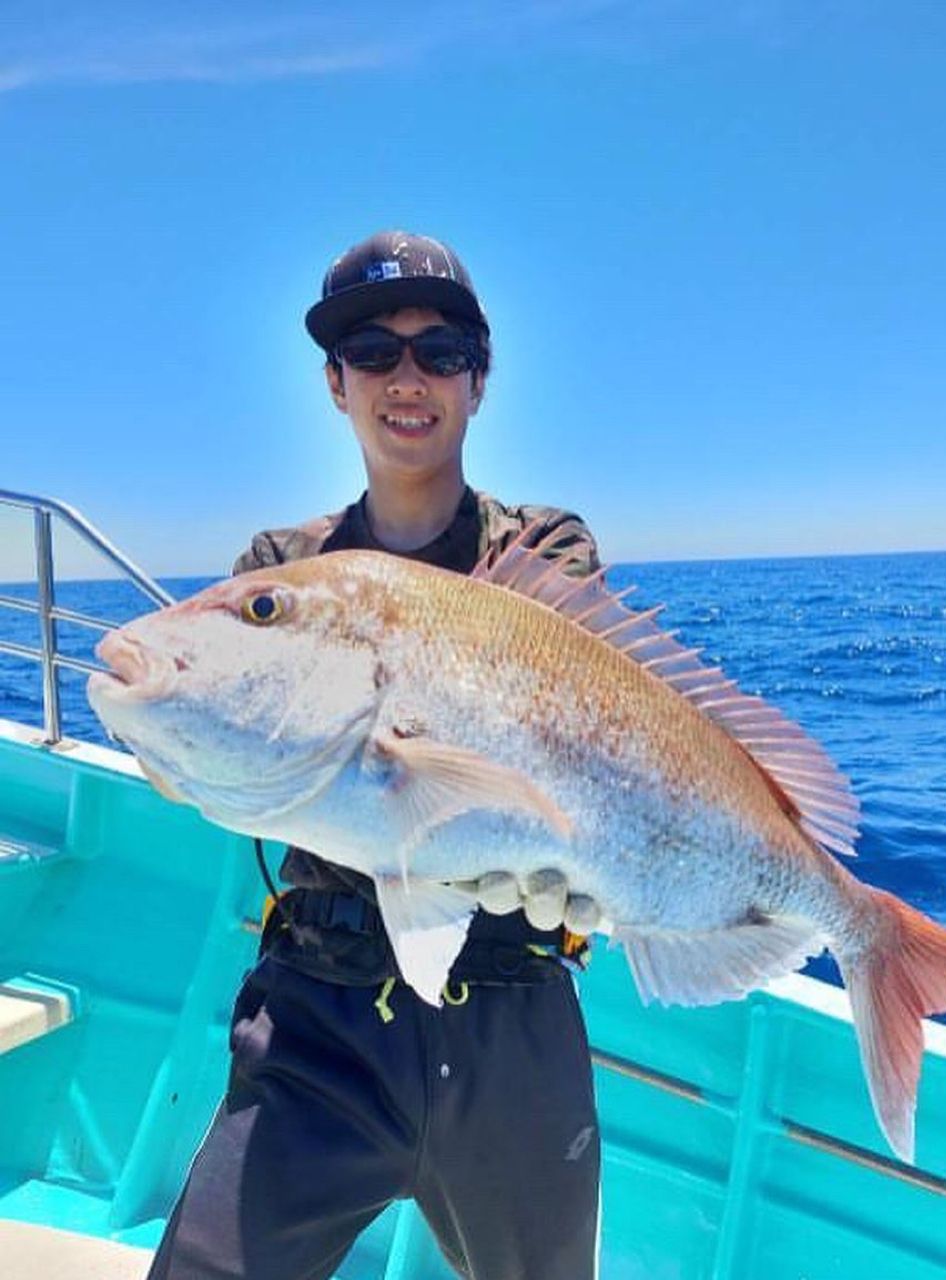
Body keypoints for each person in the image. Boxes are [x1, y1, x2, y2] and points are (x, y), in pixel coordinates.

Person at [146, 231, 603, 1280]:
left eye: (441, 350)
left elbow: (587, 734)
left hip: (511, 999)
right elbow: (234, 756)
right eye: (372, 351)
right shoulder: (279, 570)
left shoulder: (544, 554)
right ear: (334, 382)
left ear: (478, 382)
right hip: (322, 1011)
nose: (408, 377)